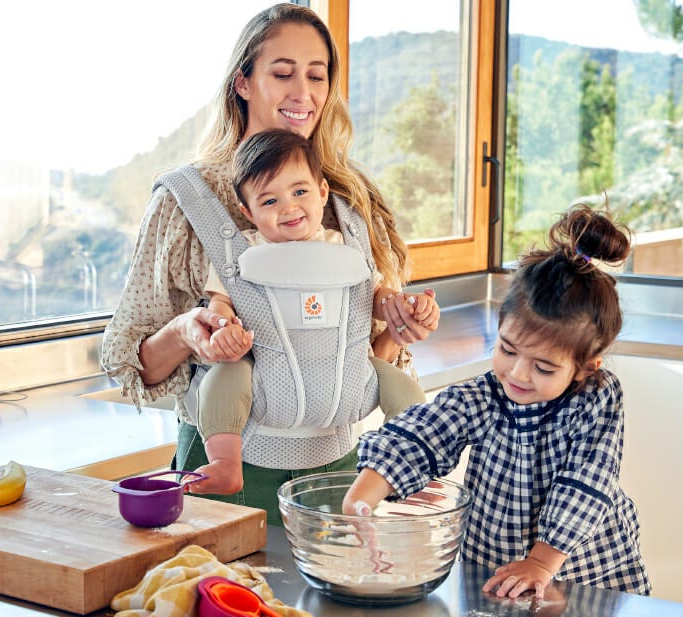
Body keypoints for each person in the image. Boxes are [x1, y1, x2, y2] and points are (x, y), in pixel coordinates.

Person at [100, 3, 440, 526]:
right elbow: (134, 366)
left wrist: (399, 327)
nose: (302, 92)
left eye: (316, 75)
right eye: (282, 73)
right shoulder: (185, 200)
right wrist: (189, 331)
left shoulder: (348, 198)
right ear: (242, 82)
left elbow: (367, 354)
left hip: (336, 470)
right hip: (226, 472)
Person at [341, 203, 651, 598]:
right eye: (507, 349)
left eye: (542, 367)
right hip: (496, 564)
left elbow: (585, 483)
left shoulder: (596, 398)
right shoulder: (485, 395)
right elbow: (422, 434)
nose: (518, 374)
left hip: (584, 572)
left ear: (585, 368)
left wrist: (541, 563)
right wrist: (361, 499)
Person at [189, 128, 437, 495]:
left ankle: (415, 467)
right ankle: (226, 463)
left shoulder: (348, 247)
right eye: (269, 201)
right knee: (222, 379)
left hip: (349, 378)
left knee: (404, 388)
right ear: (247, 212)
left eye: (300, 192)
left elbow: (377, 296)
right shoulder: (240, 255)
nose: (288, 207)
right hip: (263, 382)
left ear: (322, 192)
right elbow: (219, 303)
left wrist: (403, 306)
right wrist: (224, 328)